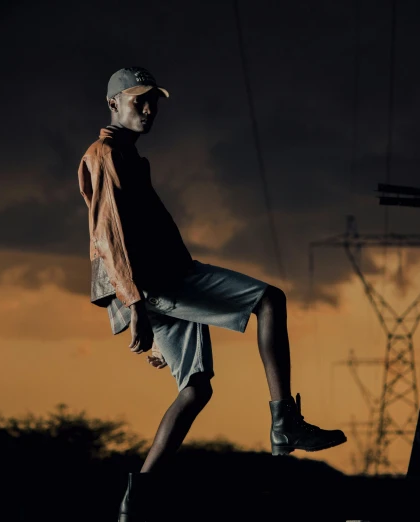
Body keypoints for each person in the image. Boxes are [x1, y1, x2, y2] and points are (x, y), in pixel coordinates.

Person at [77, 67, 346, 521]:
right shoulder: (106, 154)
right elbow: (107, 236)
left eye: (153, 102)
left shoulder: (128, 156)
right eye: (138, 100)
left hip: (159, 282)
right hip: (159, 282)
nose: (148, 109)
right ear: (113, 104)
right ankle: (285, 422)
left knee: (196, 390)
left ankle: (137, 499)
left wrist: (149, 313)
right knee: (269, 300)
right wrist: (137, 305)